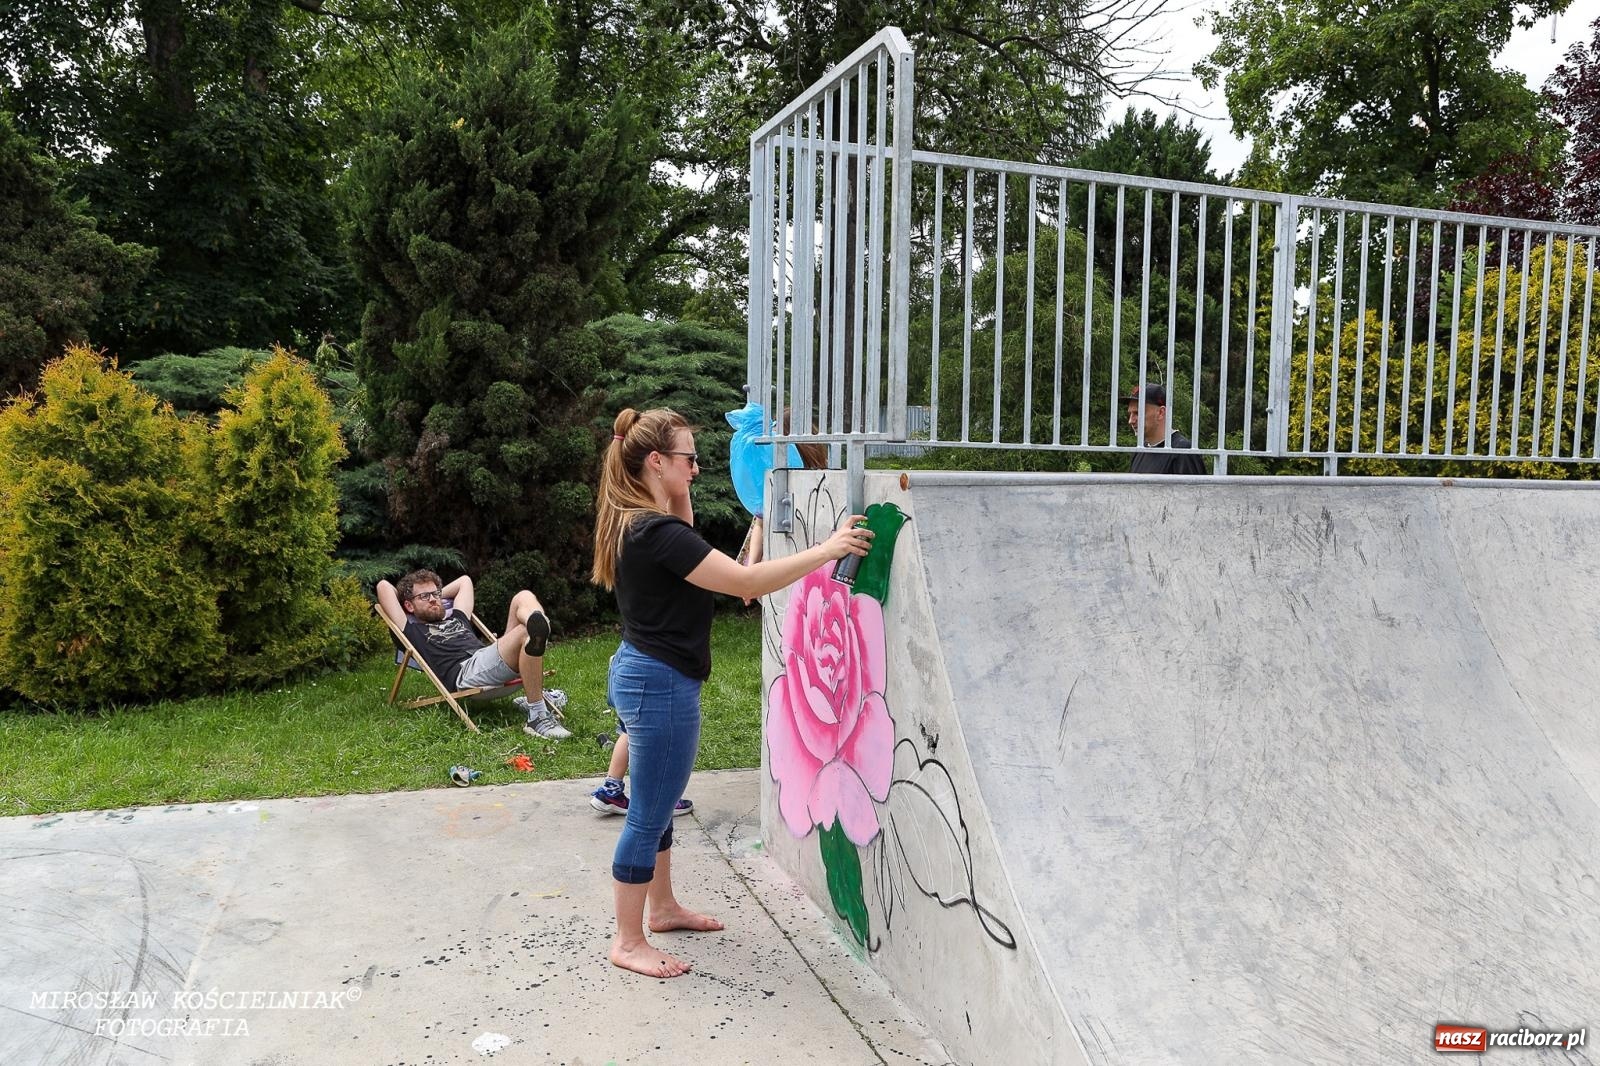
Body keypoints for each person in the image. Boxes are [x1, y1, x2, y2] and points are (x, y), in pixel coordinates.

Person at [592, 407, 871, 978]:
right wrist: (829, 548)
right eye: (689, 459)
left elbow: (690, 535)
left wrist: (698, 501)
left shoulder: (637, 521)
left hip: (646, 674)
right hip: (660, 685)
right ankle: (627, 940)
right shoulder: (657, 533)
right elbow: (744, 582)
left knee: (658, 799)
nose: (697, 469)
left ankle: (662, 907)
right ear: (656, 462)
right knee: (647, 813)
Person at [376, 569, 570, 739]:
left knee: (523, 596)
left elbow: (464, 581)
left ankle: (536, 627)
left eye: (435, 593)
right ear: (408, 606)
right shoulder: (410, 630)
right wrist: (409, 599)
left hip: (485, 658)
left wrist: (431, 595)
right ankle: (537, 716)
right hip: (465, 672)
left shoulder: (458, 617)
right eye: (424, 596)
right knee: (524, 632)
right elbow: (384, 586)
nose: (434, 599)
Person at [1125, 383, 1206, 475]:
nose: (1130, 421)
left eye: (1138, 413)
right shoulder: (1140, 450)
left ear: (1160, 413)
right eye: (1130, 414)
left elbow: (1196, 489)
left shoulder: (1183, 451)